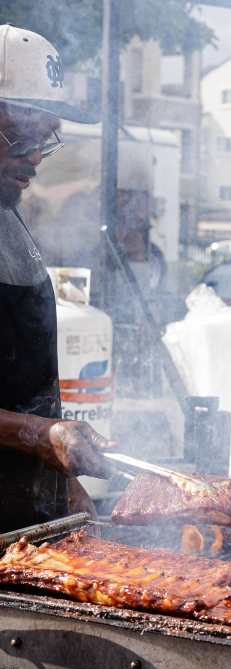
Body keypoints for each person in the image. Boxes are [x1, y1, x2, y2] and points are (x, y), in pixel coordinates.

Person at [0, 25, 113, 529]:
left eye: (44, 139)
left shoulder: (10, 217)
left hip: (23, 525)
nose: (33, 157)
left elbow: (34, 385)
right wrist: (43, 436)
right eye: (20, 134)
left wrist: (68, 490)